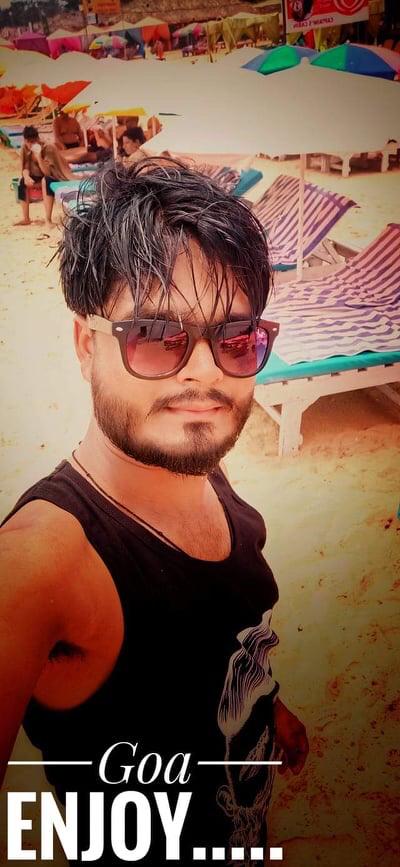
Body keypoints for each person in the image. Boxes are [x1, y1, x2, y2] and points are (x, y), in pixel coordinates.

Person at [0, 160, 308, 865]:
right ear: (87, 345)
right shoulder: (43, 561)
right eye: (156, 334)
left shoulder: (195, 464)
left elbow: (217, 643)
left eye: (235, 338)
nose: (204, 371)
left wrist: (268, 710)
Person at [15, 124, 76, 229]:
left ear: (38, 139)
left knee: (46, 180)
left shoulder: (48, 147)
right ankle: (26, 218)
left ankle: (48, 219)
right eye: (29, 142)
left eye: (34, 142)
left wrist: (39, 157)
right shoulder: (24, 148)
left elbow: (48, 172)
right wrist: (26, 176)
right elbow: (25, 167)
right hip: (37, 176)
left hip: (54, 176)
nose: (32, 145)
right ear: (25, 141)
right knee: (22, 181)